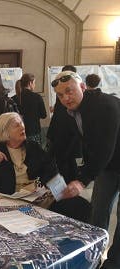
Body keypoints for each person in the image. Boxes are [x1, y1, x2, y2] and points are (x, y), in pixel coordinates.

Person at [0, 112, 90, 223]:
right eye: (16, 125)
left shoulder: (33, 147)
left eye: (22, 123)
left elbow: (50, 170)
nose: (22, 127)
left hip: (39, 199)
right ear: (5, 132)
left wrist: (61, 191)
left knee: (82, 206)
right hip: (11, 203)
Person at [52, 70, 120, 269]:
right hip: (108, 165)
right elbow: (65, 143)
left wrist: (82, 180)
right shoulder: (72, 111)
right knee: (98, 210)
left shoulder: (105, 106)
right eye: (60, 95)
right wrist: (51, 172)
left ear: (82, 87)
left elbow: (104, 148)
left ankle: (114, 264)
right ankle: (92, 256)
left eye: (69, 91)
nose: (65, 98)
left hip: (109, 158)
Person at [17, 73, 46, 145]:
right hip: (34, 131)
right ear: (30, 83)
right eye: (34, 83)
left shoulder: (15, 97)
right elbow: (43, 115)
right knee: (34, 153)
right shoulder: (37, 97)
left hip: (19, 132)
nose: (34, 85)